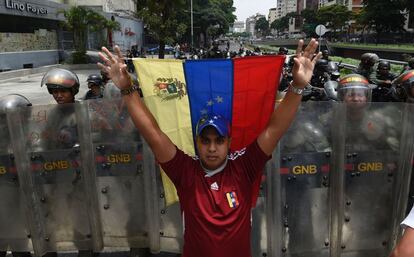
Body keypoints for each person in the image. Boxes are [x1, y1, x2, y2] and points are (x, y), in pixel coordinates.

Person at [98, 39, 321, 257]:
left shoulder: (244, 167)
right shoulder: (185, 171)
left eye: (219, 140)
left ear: (229, 142)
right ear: (197, 143)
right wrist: (127, 89)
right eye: (205, 141)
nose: (212, 148)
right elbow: (153, 134)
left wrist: (298, 86)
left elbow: (274, 129)